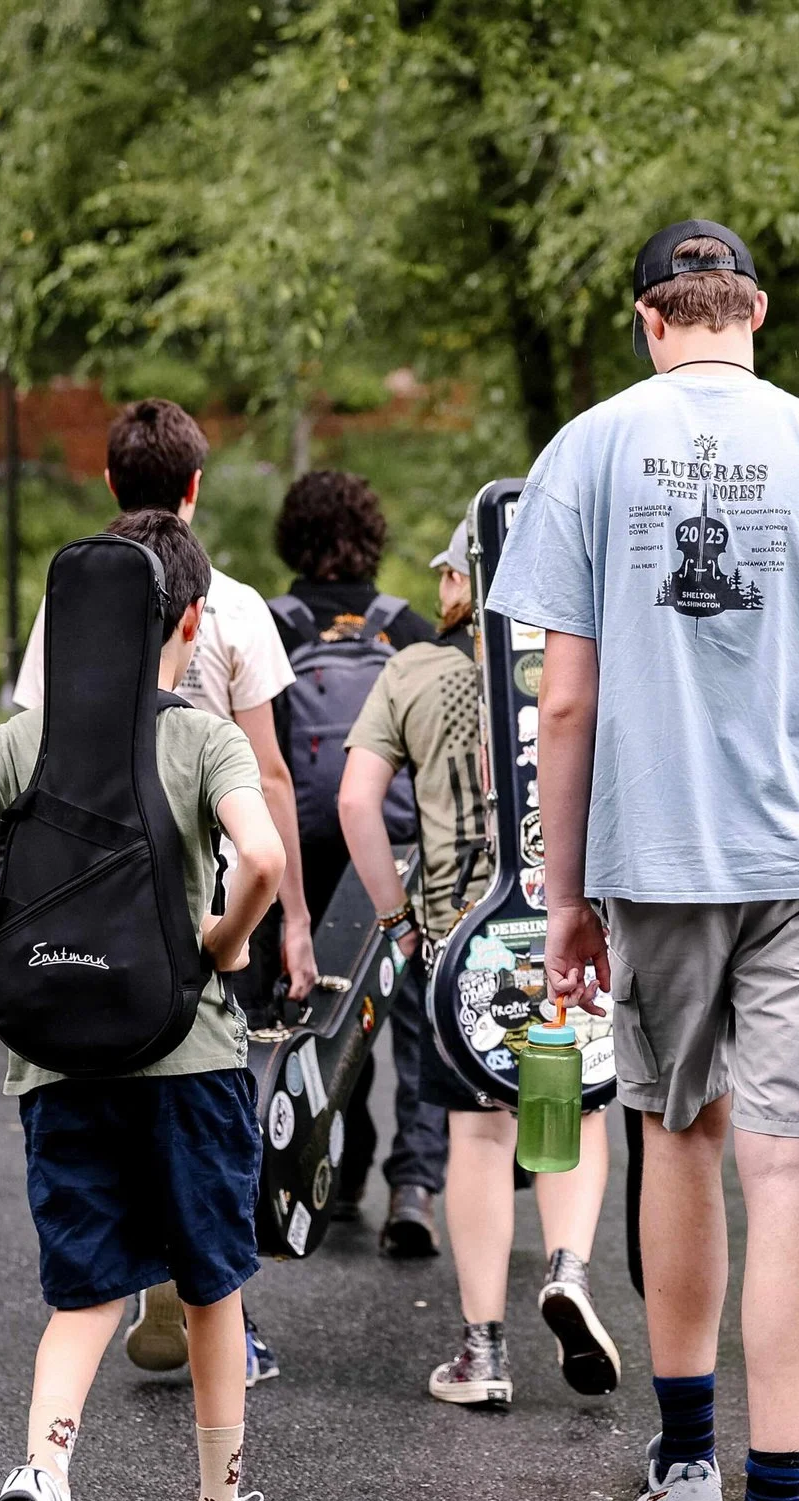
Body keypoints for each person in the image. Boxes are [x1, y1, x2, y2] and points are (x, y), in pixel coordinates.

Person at [485, 220, 799, 1501]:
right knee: (791, 1169)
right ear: (755, 311)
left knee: (678, 1133)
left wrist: (563, 894)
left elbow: (564, 701)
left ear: (648, 318)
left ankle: (686, 1470)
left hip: (659, 854)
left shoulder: (586, 450)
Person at [0, 508, 287, 1501]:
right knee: (209, 1286)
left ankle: (45, 1476)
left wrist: (2, 922)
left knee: (83, 1293)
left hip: (57, 1060)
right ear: (188, 621)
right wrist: (221, 944)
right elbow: (262, 856)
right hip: (188, 1057)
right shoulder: (202, 738)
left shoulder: (28, 741)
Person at [7, 397, 310, 1379]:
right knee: (208, 1089)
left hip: (90, 903)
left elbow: (38, 745)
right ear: (195, 486)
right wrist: (290, 918)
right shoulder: (234, 604)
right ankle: (215, 1299)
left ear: (108, 483)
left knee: (103, 1081)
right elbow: (271, 775)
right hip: (208, 898)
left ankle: (129, 1271)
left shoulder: (68, 601)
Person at [339, 523, 620, 1403]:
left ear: (466, 581)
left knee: (479, 1131)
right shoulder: (584, 662)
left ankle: (483, 1352)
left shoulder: (414, 671)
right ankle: (567, 1269)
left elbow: (355, 801)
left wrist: (398, 918)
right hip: (573, 928)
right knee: (576, 1106)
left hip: (464, 940)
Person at [266, 470, 445, 1250]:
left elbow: (264, 756)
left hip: (304, 845)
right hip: (396, 842)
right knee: (412, 1012)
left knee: (329, 999)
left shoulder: (272, 627)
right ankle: (416, 1184)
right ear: (372, 536)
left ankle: (337, 1163)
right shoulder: (406, 628)